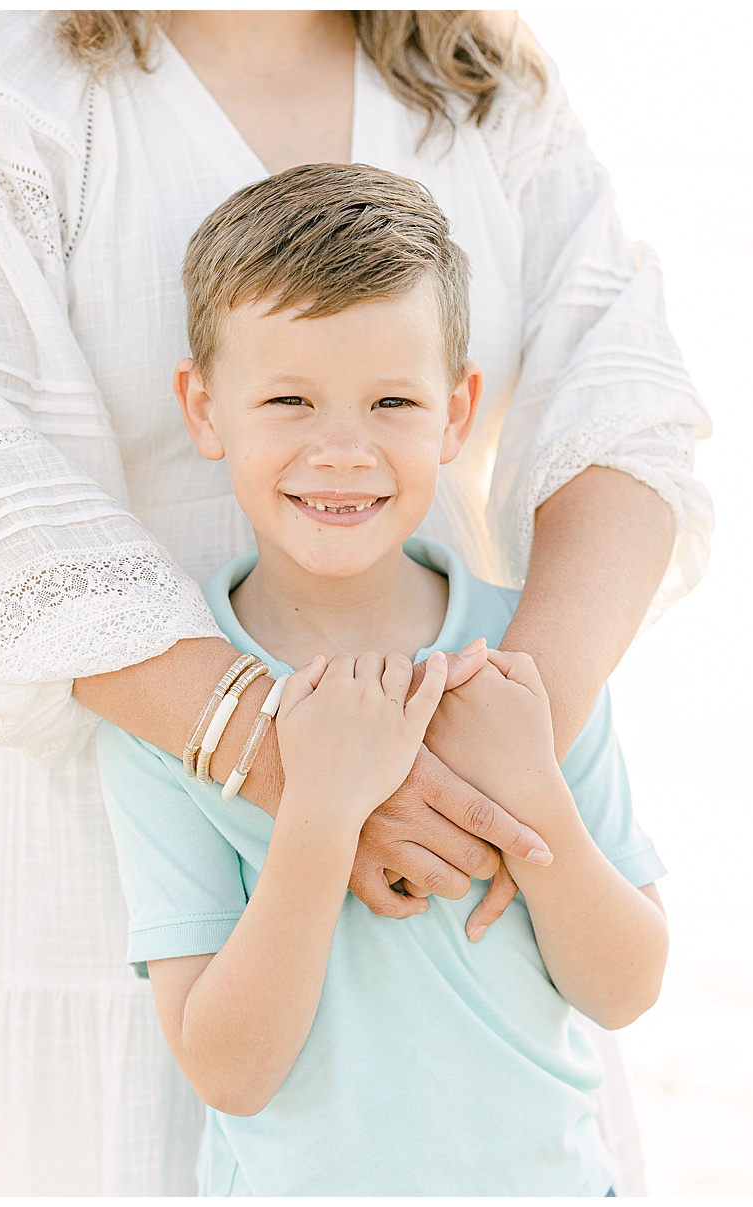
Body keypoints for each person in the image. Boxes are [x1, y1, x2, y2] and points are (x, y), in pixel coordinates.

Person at [0, 10, 711, 1194]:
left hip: (467, 843)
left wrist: (498, 752)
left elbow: (623, 398)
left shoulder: (480, 82)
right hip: (115, 796)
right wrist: (311, 779)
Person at [98, 163, 670, 1196]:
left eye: (392, 400)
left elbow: (628, 982)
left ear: (457, 413)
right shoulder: (171, 708)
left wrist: (529, 787)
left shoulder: (520, 659)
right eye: (288, 399)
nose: (343, 449)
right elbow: (228, 1067)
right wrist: (317, 810)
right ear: (204, 407)